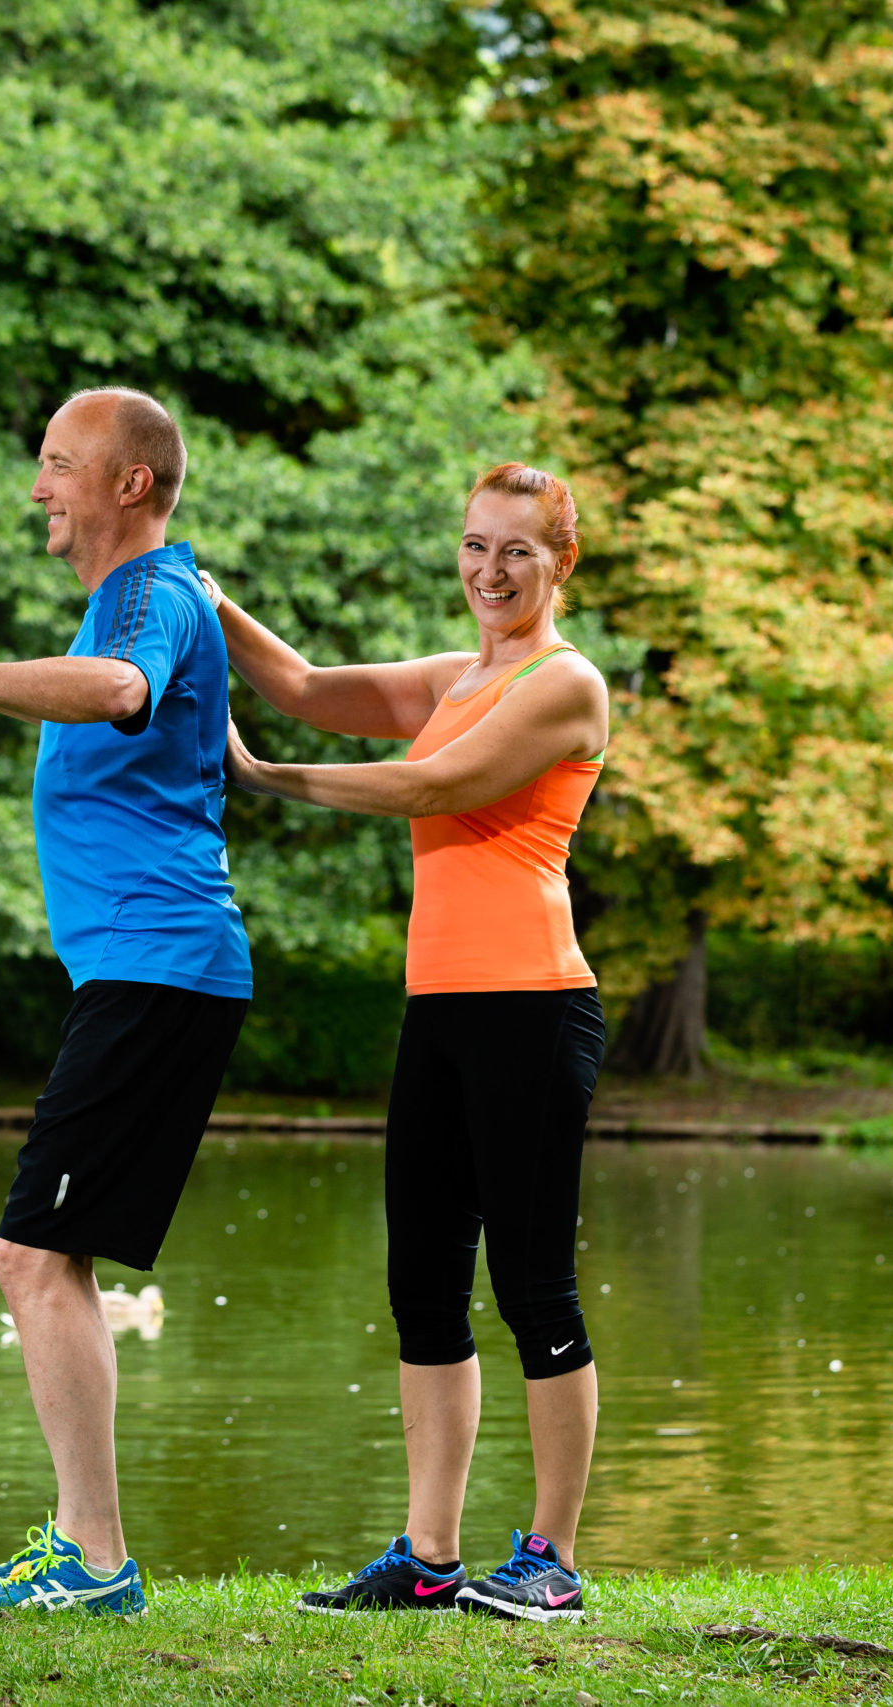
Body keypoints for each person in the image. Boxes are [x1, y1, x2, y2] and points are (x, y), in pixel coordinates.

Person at [0, 388, 249, 1615]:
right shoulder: (151, 597)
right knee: (39, 1254)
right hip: (143, 971)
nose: (38, 490)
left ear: (131, 483)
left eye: (59, 465)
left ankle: (96, 1561)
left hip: (157, 968)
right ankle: (89, 1551)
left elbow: (117, 689)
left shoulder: (147, 597)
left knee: (29, 1253)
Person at [204, 462, 609, 1623]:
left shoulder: (564, 684)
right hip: (438, 1008)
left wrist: (266, 777)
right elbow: (302, 681)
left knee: (535, 1289)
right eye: (475, 545)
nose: (489, 570)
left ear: (558, 563)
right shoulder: (450, 677)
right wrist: (198, 592)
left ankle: (552, 1560)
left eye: (516, 552)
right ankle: (430, 1557)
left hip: (531, 1007)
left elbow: (433, 788)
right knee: (423, 1286)